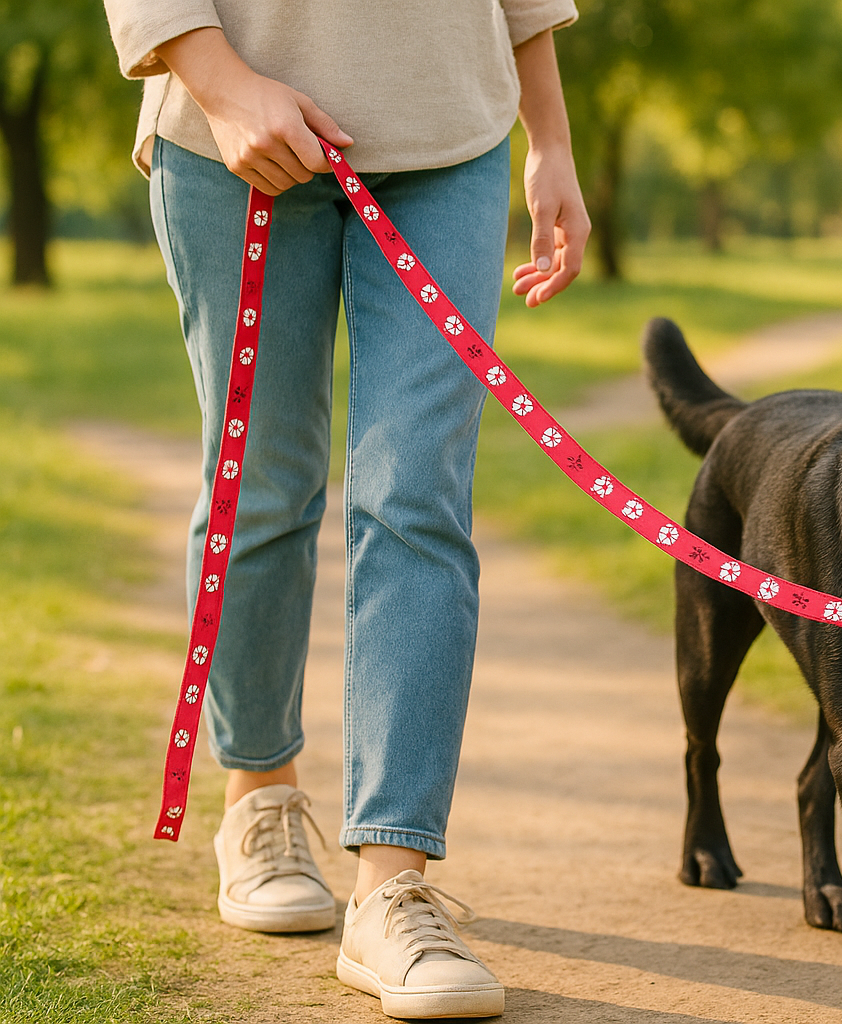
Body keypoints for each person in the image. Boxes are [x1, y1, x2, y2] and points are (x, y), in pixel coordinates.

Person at [103, 1, 589, 1017]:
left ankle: (391, 883)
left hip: (451, 133)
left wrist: (550, 138)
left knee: (419, 495)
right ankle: (261, 799)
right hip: (230, 129)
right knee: (263, 483)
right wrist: (222, 84)